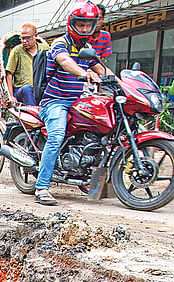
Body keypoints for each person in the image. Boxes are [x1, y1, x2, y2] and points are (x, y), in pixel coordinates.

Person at [34, 0, 110, 206]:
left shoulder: (87, 48)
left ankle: (88, 179)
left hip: (78, 102)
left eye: (89, 25)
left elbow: (102, 69)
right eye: (81, 25)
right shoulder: (61, 43)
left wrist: (121, 83)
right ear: (72, 23)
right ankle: (41, 187)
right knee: (57, 135)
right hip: (55, 101)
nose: (85, 29)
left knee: (101, 133)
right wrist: (85, 73)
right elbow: (65, 61)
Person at [4, 23, 49, 106]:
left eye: (28, 38)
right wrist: (11, 96)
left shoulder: (44, 49)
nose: (24, 41)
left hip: (40, 88)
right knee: (27, 89)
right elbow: (9, 74)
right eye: (22, 38)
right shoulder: (17, 50)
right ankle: (34, 114)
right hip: (21, 90)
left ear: (35, 36)